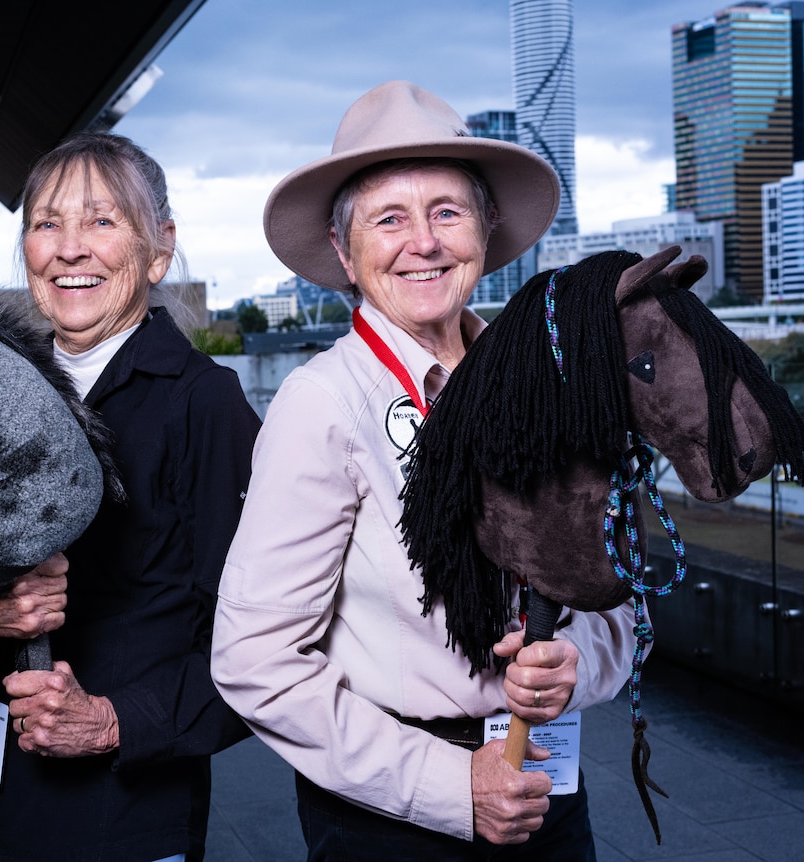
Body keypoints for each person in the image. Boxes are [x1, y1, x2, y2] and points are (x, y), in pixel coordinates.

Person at [210, 80, 642, 861]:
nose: (425, 242)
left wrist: (579, 666)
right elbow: (254, 663)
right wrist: (450, 787)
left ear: (486, 227)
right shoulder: (322, 405)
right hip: (391, 818)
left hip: (545, 785)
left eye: (447, 211)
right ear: (344, 252)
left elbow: (621, 604)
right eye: (389, 219)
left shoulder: (549, 391)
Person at [0, 131, 261, 862]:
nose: (70, 248)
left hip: (118, 821)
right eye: (47, 223)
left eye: (103, 221)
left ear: (158, 249)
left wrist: (116, 721)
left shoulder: (205, 405)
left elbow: (264, 644)